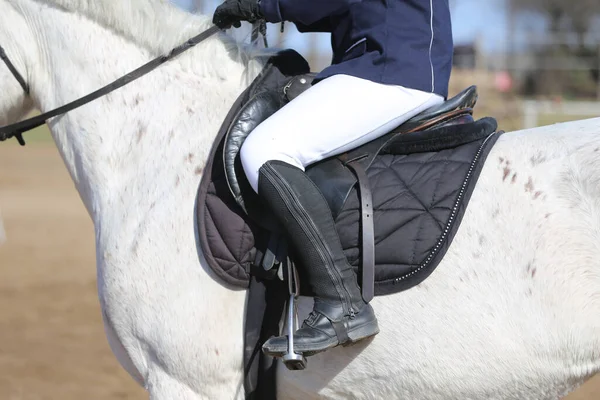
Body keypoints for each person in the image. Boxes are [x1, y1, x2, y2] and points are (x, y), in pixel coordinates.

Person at [213, 0, 453, 358]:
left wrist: (265, 5)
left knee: (263, 149)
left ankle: (342, 302)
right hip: (397, 62)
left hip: (388, 70)